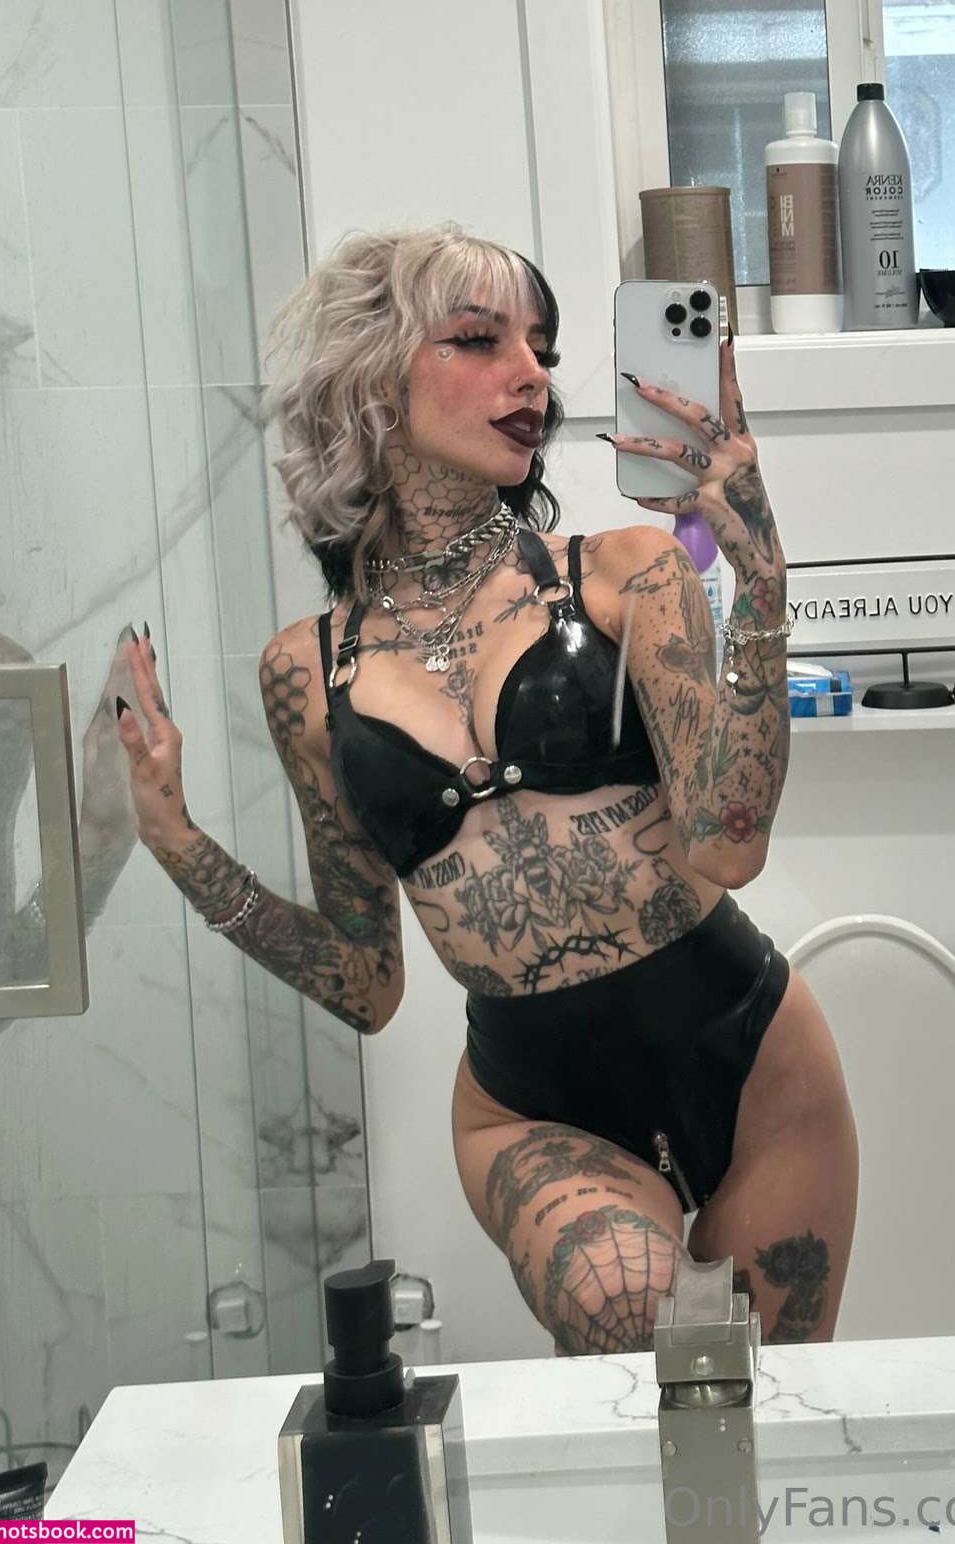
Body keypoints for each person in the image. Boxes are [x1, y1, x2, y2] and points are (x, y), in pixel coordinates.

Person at [115, 224, 858, 1355]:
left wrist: (757, 571)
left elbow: (729, 846)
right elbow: (367, 985)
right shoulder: (304, 675)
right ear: (373, 377)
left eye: (542, 349)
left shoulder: (627, 575)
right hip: (533, 1108)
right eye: (480, 340)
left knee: (765, 1425)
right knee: (635, 1324)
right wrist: (179, 845)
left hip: (755, 1063)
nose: (534, 375)